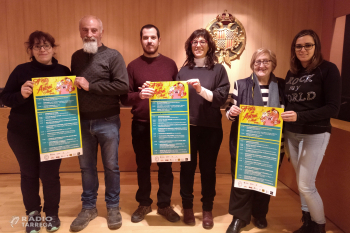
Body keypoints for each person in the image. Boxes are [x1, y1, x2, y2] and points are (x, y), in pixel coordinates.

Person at [1, 31, 70, 233]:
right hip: (22, 135)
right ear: (30, 50)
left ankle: (51, 214)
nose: (42, 49)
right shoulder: (21, 71)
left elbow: (71, 102)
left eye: (46, 45)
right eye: (37, 46)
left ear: (53, 48)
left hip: (54, 133)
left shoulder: (64, 71)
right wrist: (21, 94)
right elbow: (5, 97)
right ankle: (32, 215)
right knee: (29, 175)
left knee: (50, 176)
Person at [69, 15, 128, 232]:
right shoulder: (76, 57)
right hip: (82, 122)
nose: (89, 34)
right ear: (80, 32)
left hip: (108, 121)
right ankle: (89, 207)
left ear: (101, 32)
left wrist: (90, 86)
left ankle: (113, 206)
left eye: (94, 30)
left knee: (111, 167)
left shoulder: (113, 56)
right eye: (85, 30)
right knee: (86, 168)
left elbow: (122, 86)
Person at [281, 29, 341, 233]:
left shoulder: (328, 70)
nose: (303, 49)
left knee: (306, 184)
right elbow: (289, 103)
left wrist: (299, 116)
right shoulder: (292, 73)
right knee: (301, 183)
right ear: (294, 49)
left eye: (308, 45)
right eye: (298, 46)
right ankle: (307, 223)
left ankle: (319, 226)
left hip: (316, 133)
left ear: (316, 47)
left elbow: (333, 108)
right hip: (291, 133)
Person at [120, 24, 180, 223]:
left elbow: (178, 94)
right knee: (143, 166)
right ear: (141, 40)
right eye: (145, 37)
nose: (149, 41)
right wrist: (139, 95)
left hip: (166, 124)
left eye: (153, 37)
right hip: (141, 124)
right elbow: (124, 98)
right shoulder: (132, 66)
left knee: (166, 168)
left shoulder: (171, 65)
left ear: (159, 40)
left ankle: (164, 204)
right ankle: (144, 203)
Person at [225, 48, 285, 233]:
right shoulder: (241, 84)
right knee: (241, 181)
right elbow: (229, 111)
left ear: (273, 64)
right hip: (245, 144)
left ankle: (259, 214)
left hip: (272, 144)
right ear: (252, 65)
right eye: (258, 62)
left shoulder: (283, 86)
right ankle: (239, 218)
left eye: (266, 61)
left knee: (264, 180)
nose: (261, 65)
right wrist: (231, 112)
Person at [176, 28, 230, 229]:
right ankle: (187, 207)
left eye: (202, 41)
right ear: (190, 46)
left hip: (211, 129)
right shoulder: (183, 71)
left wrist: (201, 90)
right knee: (186, 169)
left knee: (208, 170)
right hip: (186, 128)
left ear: (209, 45)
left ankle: (207, 208)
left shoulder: (219, 70)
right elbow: (174, 97)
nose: (198, 45)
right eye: (194, 42)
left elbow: (221, 98)